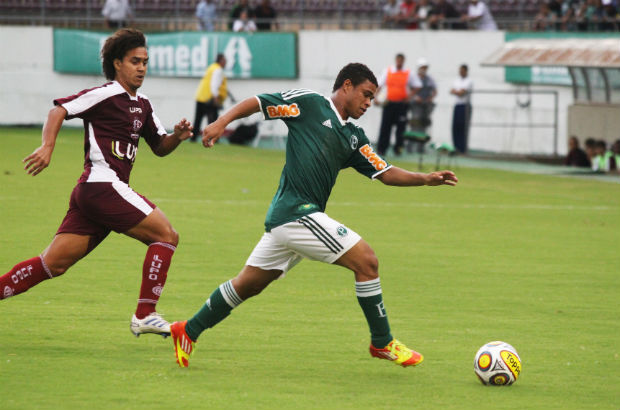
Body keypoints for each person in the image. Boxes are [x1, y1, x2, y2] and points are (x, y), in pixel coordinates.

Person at [169, 62, 458, 368]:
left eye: (373, 98)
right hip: (296, 213)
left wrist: (425, 178)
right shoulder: (308, 104)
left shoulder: (354, 136)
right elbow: (260, 102)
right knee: (367, 261)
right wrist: (220, 121)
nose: (369, 103)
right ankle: (382, 342)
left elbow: (384, 172)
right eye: (366, 94)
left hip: (293, 219)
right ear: (347, 85)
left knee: (248, 284)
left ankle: (188, 330)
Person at [0, 29, 193, 338]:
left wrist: (178, 137)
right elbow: (59, 109)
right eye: (135, 61)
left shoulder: (143, 104)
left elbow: (159, 146)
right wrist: (47, 146)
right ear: (117, 63)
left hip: (93, 194)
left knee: (53, 264)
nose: (142, 68)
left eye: (145, 62)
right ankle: (145, 314)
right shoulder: (105, 94)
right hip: (102, 186)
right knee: (166, 235)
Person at [375, 53, 420, 156]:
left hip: (402, 105)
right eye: (398, 60)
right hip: (389, 103)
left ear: (403, 61)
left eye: (401, 60)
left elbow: (417, 86)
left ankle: (398, 149)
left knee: (401, 128)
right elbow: (380, 85)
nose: (399, 62)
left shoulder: (408, 73)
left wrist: (409, 97)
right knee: (385, 127)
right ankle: (382, 149)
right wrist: (376, 97)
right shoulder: (388, 71)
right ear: (396, 60)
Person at [190, 54, 228, 142]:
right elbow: (214, 84)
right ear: (221, 61)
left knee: (198, 120)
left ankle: (193, 138)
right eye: (225, 60)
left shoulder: (211, 67)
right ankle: (213, 139)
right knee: (213, 121)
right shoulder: (218, 70)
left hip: (201, 97)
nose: (226, 62)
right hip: (209, 99)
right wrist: (216, 98)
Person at [410, 58, 437, 140]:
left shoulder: (429, 79)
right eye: (423, 67)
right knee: (416, 123)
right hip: (416, 105)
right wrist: (415, 97)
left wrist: (430, 98)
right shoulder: (413, 78)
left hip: (426, 105)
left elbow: (435, 91)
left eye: (425, 68)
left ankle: (422, 142)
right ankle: (414, 141)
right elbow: (409, 89)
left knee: (425, 123)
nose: (424, 69)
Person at [450, 64, 473, 154]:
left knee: (463, 127)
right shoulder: (457, 81)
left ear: (466, 71)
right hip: (457, 105)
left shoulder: (469, 81)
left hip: (465, 106)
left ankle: (462, 148)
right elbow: (452, 91)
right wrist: (457, 92)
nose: (460, 72)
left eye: (462, 70)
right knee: (455, 127)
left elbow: (461, 93)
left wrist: (457, 92)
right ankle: (456, 148)